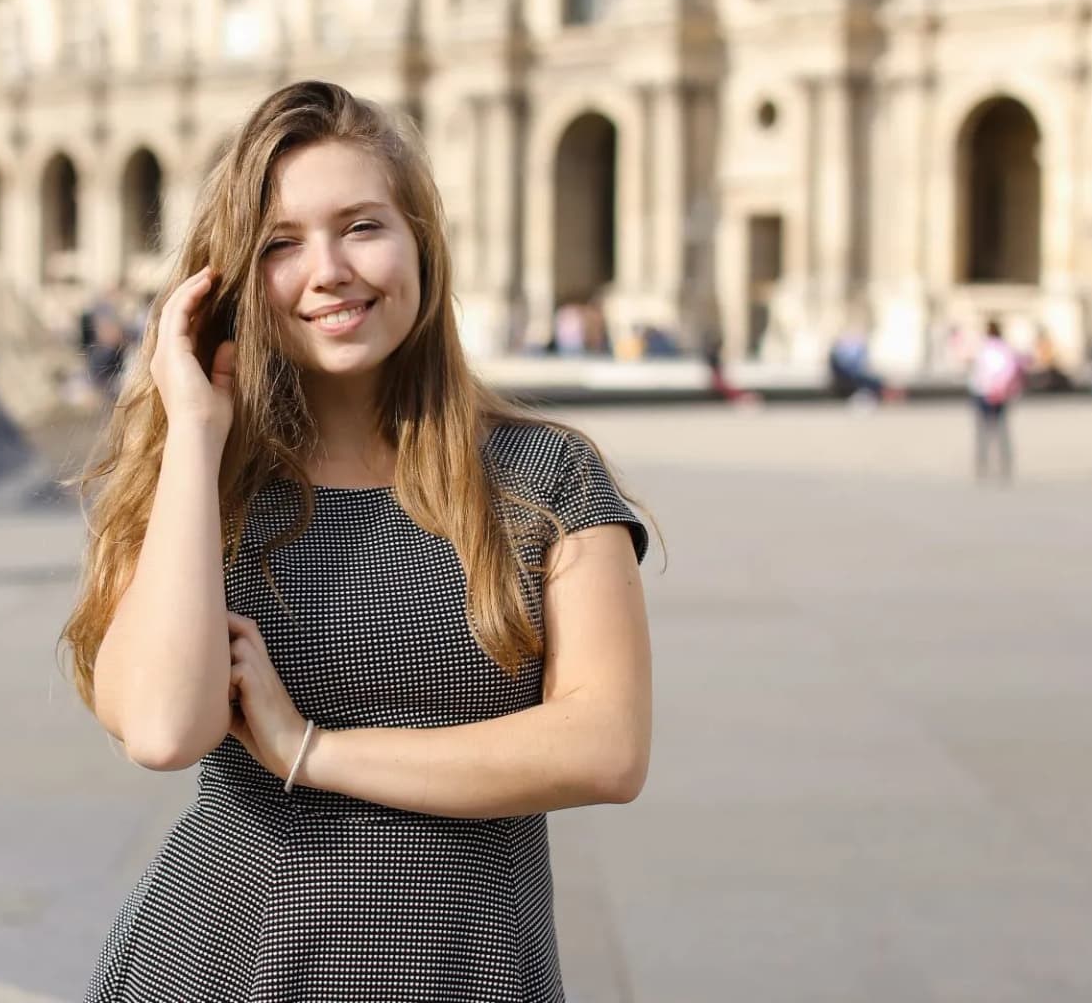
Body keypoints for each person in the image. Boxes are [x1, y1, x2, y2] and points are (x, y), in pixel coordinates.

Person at [61, 80, 653, 1001]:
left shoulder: (547, 478)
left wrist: (312, 750)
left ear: (422, 239)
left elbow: (607, 749)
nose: (329, 269)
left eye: (362, 226)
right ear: (231, 285)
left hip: (466, 968)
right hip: (226, 960)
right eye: (280, 245)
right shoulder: (202, 486)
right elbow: (165, 729)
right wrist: (193, 428)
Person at [968, 319, 1022, 483]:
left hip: (983, 392)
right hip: (1000, 393)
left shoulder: (983, 348)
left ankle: (982, 463)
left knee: (983, 430)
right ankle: (1004, 463)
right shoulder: (1005, 349)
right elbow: (1010, 370)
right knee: (1001, 429)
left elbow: (978, 371)